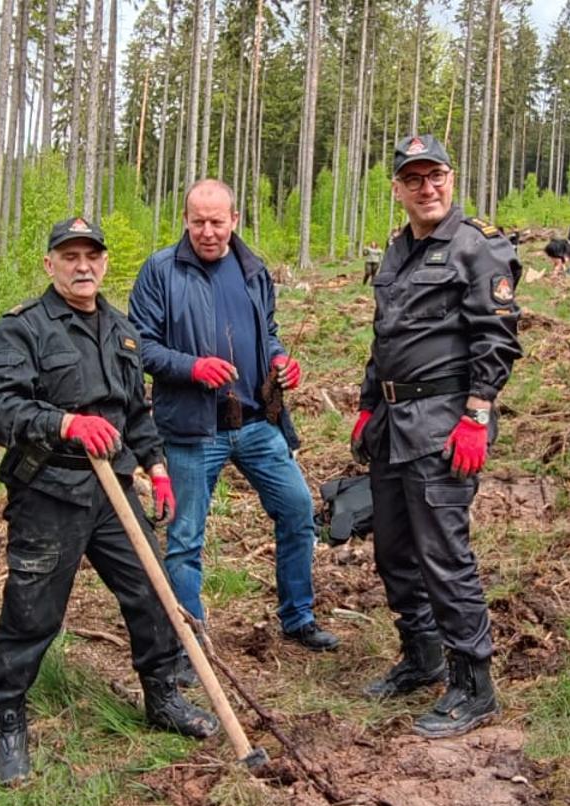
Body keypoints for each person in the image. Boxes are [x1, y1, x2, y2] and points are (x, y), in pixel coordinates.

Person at [0, 217, 219, 785]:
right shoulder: (22, 330)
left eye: (92, 256)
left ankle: (162, 697)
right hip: (50, 492)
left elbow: (134, 411)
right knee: (33, 611)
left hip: (115, 493)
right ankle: (8, 719)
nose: (82, 266)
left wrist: (156, 465)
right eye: (70, 256)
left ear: (105, 263)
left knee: (153, 591)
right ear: (50, 264)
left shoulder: (122, 330)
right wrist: (63, 423)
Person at [127, 180, 340, 668]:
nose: (207, 231)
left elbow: (267, 331)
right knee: (185, 540)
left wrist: (281, 361)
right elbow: (141, 344)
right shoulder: (161, 272)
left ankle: (298, 617)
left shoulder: (252, 268)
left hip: (256, 422)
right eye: (198, 221)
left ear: (234, 220)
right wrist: (192, 367)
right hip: (190, 430)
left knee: (297, 510)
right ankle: (189, 648)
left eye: (216, 221)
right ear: (185, 220)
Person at [351, 134, 523, 738]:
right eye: (414, 179)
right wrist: (368, 407)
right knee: (394, 549)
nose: (427, 188)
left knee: (444, 557)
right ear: (398, 188)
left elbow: (497, 339)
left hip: (444, 425)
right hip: (394, 427)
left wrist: (476, 416)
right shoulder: (398, 250)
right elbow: (387, 338)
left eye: (436, 176)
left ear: (451, 179)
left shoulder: (476, 246)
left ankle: (473, 684)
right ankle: (420, 657)